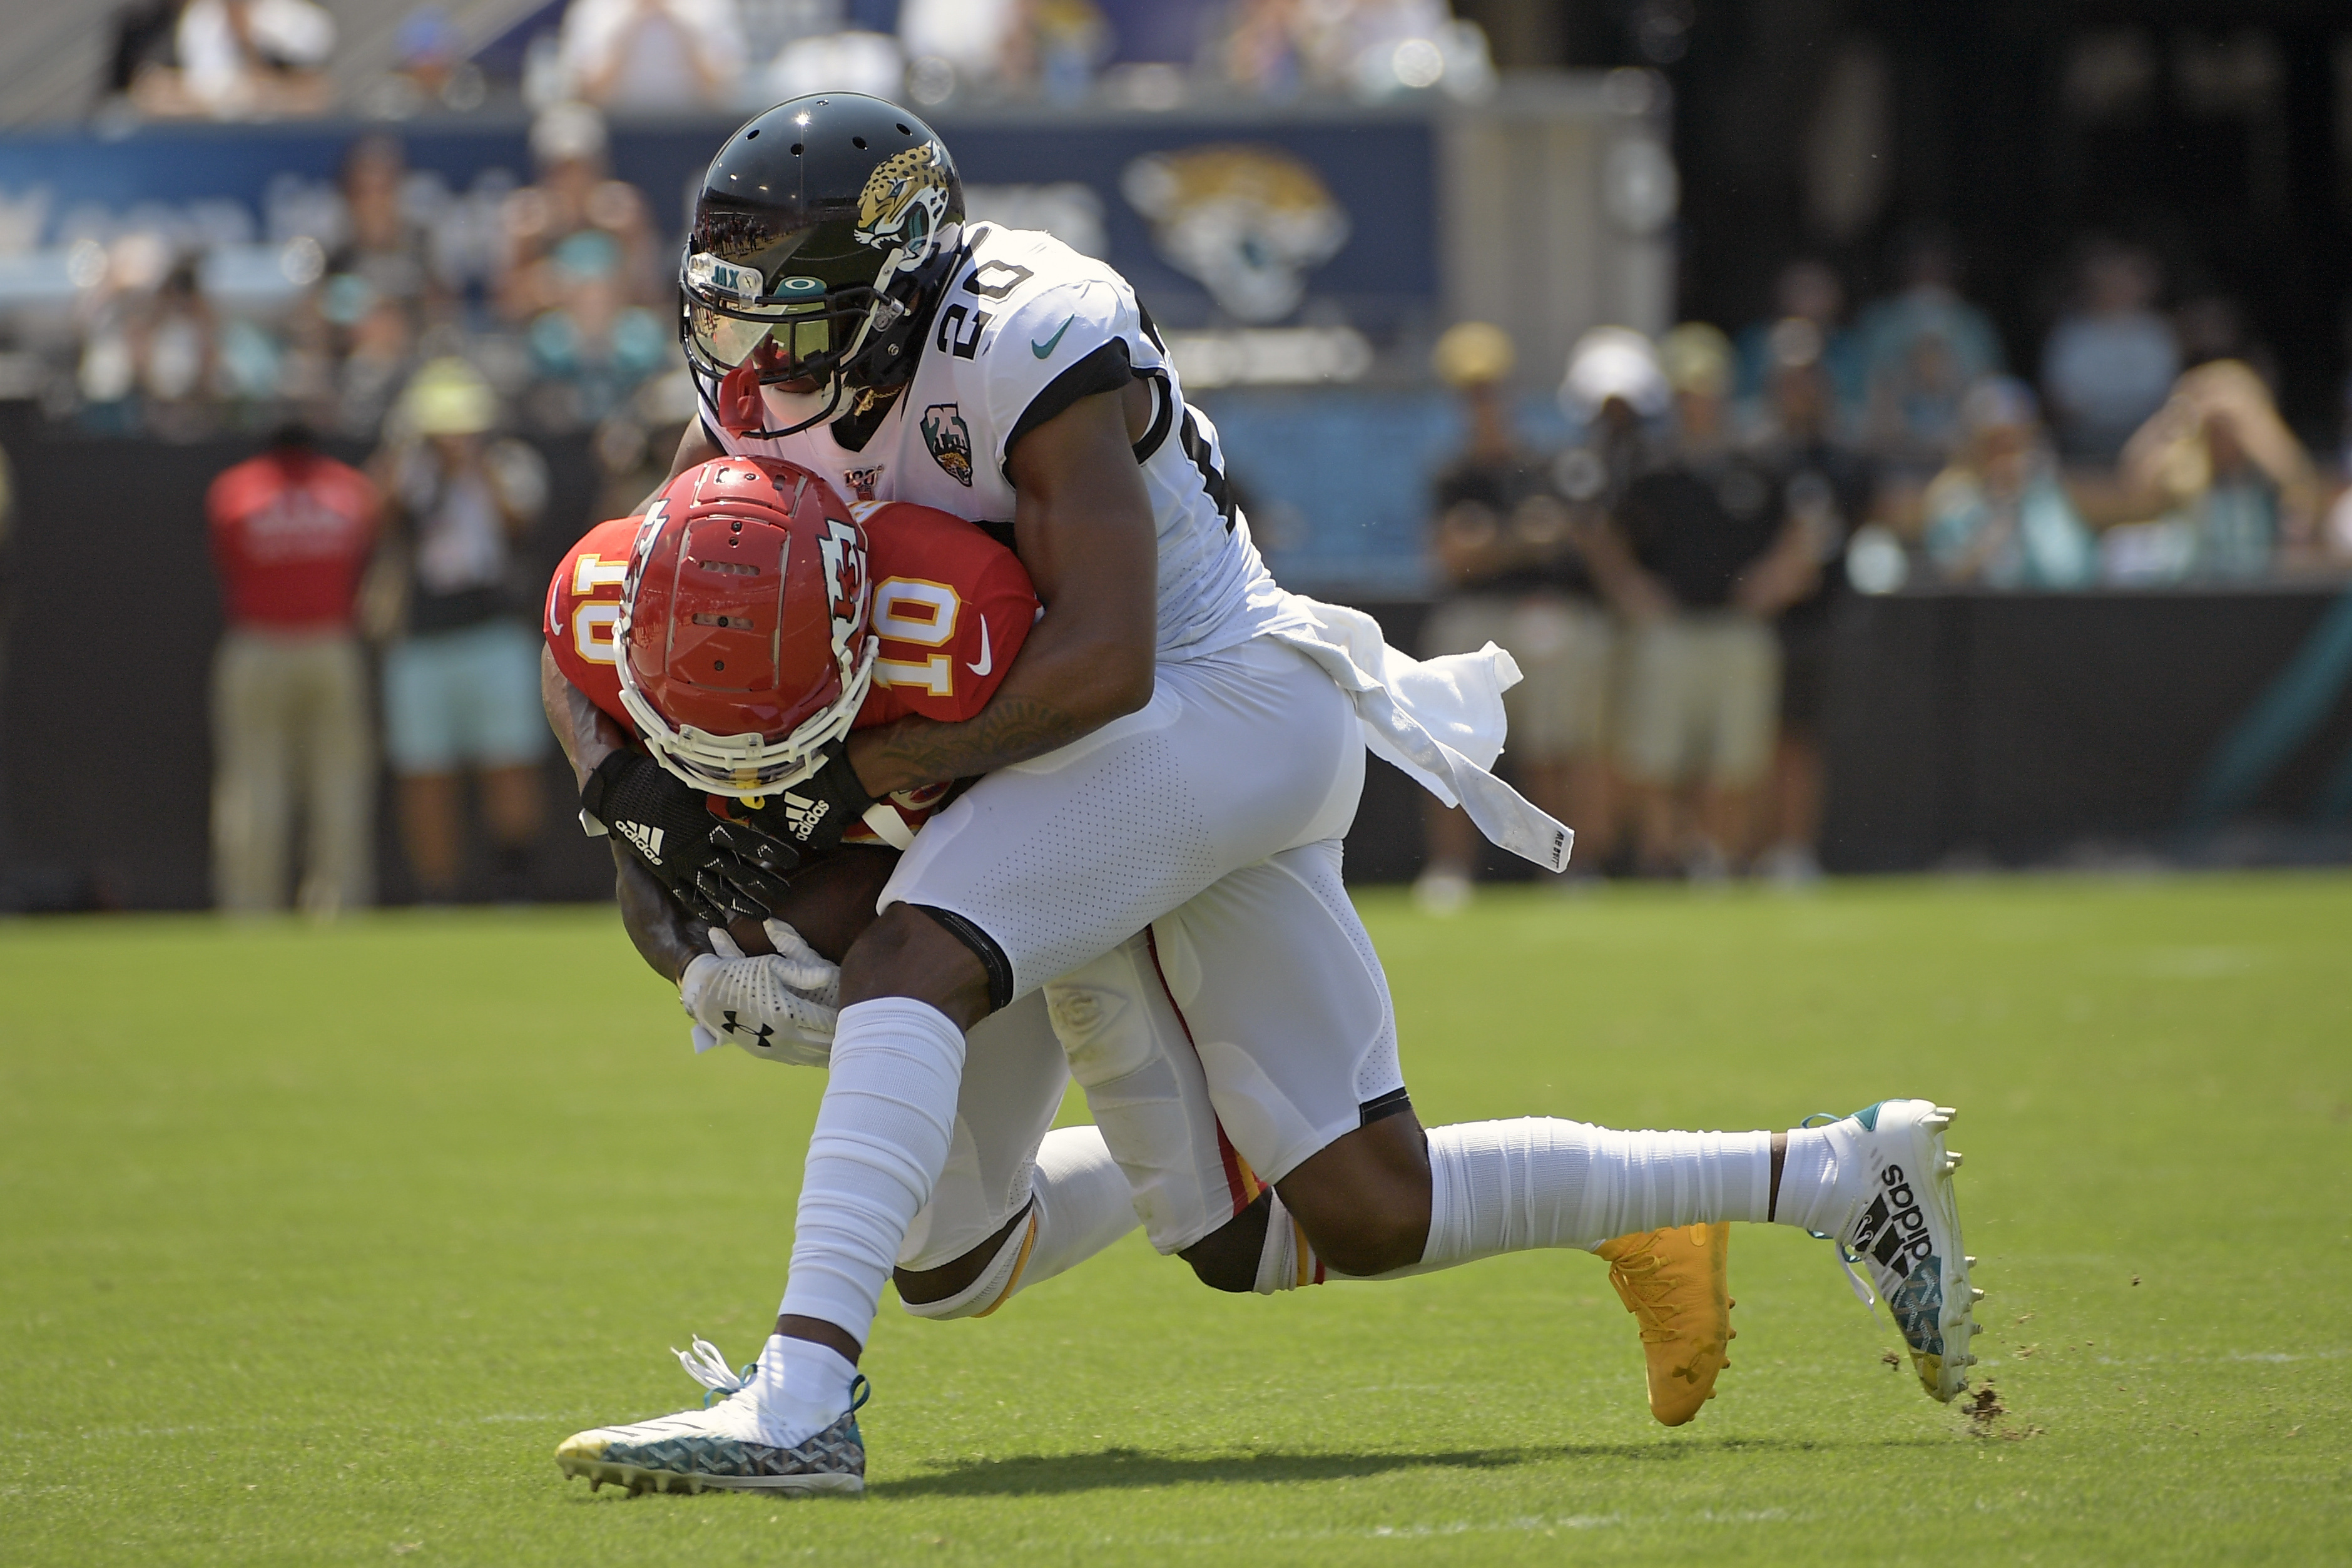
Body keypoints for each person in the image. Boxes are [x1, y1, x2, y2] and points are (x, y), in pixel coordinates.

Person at [549, 95, 1978, 1494]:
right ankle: (1832, 1174)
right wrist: (636, 814)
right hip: (1044, 751)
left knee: (915, 958)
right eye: (732, 314)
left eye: (788, 317)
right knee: (1304, 1216)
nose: (749, 361)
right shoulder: (764, 407)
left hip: (1212, 701)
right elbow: (600, 618)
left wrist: (850, 795)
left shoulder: (1028, 332)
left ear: (901, 284)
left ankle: (801, 1399)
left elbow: (1106, 661)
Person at [541, 457, 1746, 1459]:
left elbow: (1057, 750)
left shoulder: (957, 626)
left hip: (1121, 791)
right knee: (965, 1262)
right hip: (990, 865)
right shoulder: (610, 610)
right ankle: (1646, 1211)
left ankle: (801, 1395)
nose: (733, 758)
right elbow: (634, 824)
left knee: (1357, 1204)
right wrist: (681, 943)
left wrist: (854, 844)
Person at [1413, 322, 1614, 911]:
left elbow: (1567, 542)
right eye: (1472, 394)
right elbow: (1451, 556)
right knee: (1448, 747)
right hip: (1475, 615)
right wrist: (1516, 540)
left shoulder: (1542, 465)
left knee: (1557, 744)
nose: (1483, 405)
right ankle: (1450, 870)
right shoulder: (1451, 474)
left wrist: (1495, 542)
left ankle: (1566, 869)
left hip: (1538, 615)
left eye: (1490, 391)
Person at [1601, 323, 1805, 880]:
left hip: (1735, 628)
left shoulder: (1758, 458)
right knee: (1656, 756)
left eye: (1705, 389)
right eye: (1687, 391)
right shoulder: (1650, 464)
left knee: (1735, 759)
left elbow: (1803, 528)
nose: (1697, 403)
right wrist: (1630, 589)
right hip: (1672, 629)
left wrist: (1777, 576)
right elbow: (1603, 534)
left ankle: (1716, 859)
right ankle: (1663, 858)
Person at [372, 359, 550, 900]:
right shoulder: (407, 467)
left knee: (508, 758)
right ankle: (438, 892)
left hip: (493, 632)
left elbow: (520, 520)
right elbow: (376, 515)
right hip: (420, 641)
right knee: (424, 770)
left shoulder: (510, 464)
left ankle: (513, 881)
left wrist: (476, 467)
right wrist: (409, 457)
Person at [205, 424, 380, 915]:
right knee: (340, 783)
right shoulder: (350, 490)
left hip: (258, 644)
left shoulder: (235, 490)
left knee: (253, 782)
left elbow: (225, 560)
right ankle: (339, 903)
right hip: (331, 645)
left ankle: (250, 906)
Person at [1746, 320, 1873, 886]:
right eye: (1788, 379)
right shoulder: (1751, 457)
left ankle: (1792, 850)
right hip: (1751, 621)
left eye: (1808, 378)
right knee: (1745, 743)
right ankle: (1741, 851)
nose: (1799, 390)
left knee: (1799, 740)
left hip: (1818, 621)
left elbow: (1849, 530)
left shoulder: (1845, 458)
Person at [2115, 360, 2319, 580]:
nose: (2221, 429)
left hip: (2260, 583)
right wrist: (2176, 416)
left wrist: (2247, 421)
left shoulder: (2266, 466)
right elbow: (2134, 488)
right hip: (2194, 584)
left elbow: (2299, 484)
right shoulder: (2183, 466)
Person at [1922, 379, 2095, 590]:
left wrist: (2020, 504)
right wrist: (1997, 516)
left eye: (2015, 443)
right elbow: (1949, 577)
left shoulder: (2044, 494)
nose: (2006, 457)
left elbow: (2072, 573)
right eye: (1995, 444)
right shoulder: (1953, 498)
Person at [2041, 242, 2178, 465]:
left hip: (2148, 436)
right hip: (2087, 441)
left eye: (2123, 280)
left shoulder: (2156, 332)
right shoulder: (2072, 335)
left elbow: (2166, 392)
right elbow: (2063, 400)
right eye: (2110, 281)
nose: (2116, 287)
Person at [557, 0, 746, 110]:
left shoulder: (710, 5)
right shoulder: (596, 7)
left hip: (691, 133)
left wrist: (674, 19)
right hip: (620, 134)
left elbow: (721, 87)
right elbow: (588, 90)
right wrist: (634, 19)